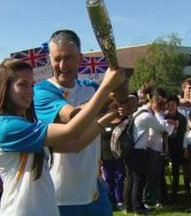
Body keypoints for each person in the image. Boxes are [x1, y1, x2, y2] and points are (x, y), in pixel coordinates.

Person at [0, 58, 123, 216]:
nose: (30, 91)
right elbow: (72, 130)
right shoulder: (7, 127)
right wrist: (105, 87)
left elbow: (75, 144)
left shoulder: (25, 124)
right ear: (5, 88)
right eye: (22, 84)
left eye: (31, 84)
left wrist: (111, 115)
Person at [33, 29, 133, 216]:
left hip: (94, 190)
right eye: (57, 59)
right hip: (60, 195)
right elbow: (73, 117)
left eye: (69, 58)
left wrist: (127, 101)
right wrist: (106, 89)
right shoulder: (41, 91)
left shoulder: (91, 88)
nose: (62, 65)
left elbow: (117, 101)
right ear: (49, 59)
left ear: (80, 58)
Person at [122, 89, 175, 215]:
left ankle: (127, 206)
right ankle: (138, 208)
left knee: (129, 179)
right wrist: (160, 115)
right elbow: (161, 127)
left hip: (129, 149)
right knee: (139, 179)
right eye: (159, 107)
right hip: (138, 151)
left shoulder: (139, 111)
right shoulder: (147, 116)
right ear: (154, 105)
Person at [144, 88, 174, 208]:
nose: (163, 103)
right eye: (160, 100)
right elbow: (162, 126)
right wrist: (166, 122)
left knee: (157, 176)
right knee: (150, 176)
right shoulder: (148, 112)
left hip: (160, 148)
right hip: (151, 147)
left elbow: (166, 128)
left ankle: (155, 199)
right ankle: (145, 199)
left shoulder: (161, 112)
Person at [164, 95, 187, 203]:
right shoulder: (163, 116)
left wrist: (175, 124)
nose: (171, 107)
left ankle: (175, 194)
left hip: (177, 148)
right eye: (169, 105)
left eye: (173, 105)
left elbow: (182, 133)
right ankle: (163, 194)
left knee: (176, 171)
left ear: (177, 106)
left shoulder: (181, 118)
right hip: (164, 148)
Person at [100, 118, 125, 210]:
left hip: (118, 155)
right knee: (109, 178)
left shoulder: (123, 121)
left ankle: (119, 199)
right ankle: (111, 200)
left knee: (119, 177)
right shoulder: (103, 122)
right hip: (105, 156)